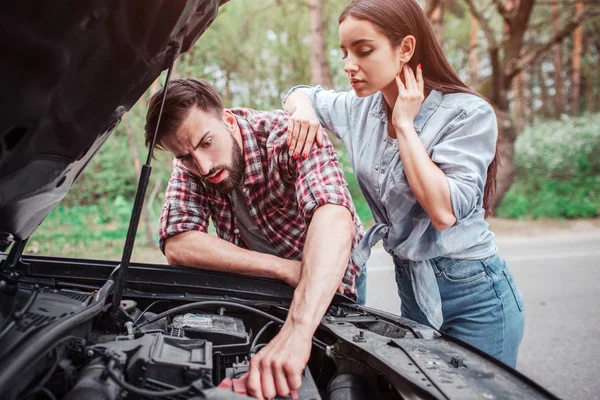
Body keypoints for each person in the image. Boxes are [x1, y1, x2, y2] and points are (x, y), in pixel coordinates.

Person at [283, 0, 524, 368]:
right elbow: (300, 93)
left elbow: (444, 211)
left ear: (406, 48)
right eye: (344, 52)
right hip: (412, 288)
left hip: (475, 295)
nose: (349, 65)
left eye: (363, 51)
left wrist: (406, 125)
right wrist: (302, 111)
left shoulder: (467, 114)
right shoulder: (357, 108)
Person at [145, 78, 364, 399]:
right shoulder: (190, 162)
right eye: (187, 157)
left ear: (229, 120)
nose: (203, 166)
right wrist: (283, 269)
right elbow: (178, 243)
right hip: (268, 278)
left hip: (327, 272)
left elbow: (333, 215)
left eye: (207, 143)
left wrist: (297, 332)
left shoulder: (288, 135)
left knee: (341, 365)